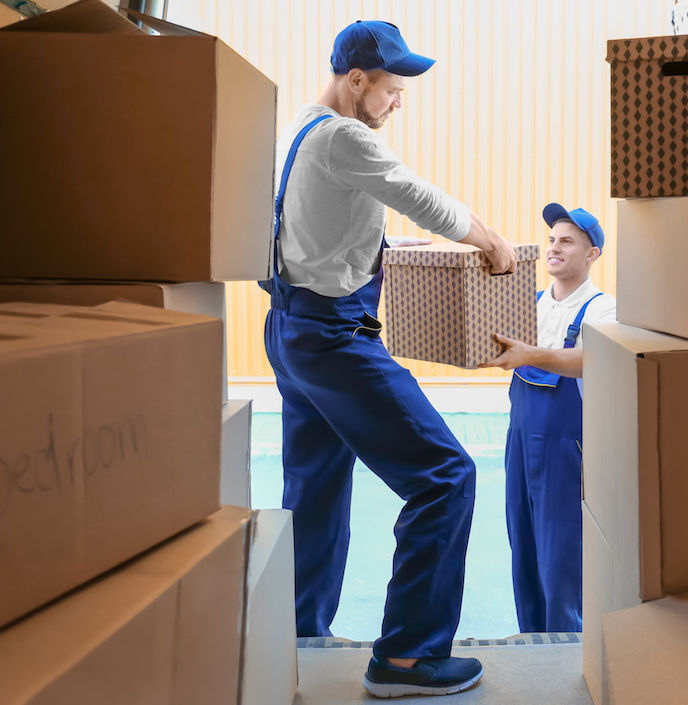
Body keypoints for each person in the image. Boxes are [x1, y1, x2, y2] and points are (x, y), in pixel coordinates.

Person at [263, 20, 517, 698]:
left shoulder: (300, 128)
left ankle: (296, 639)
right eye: (392, 89)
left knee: (313, 493)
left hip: (290, 327)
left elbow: (322, 226)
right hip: (332, 339)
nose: (398, 102)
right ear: (356, 82)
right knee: (447, 474)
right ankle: (406, 659)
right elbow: (420, 196)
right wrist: (491, 241)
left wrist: (381, 253)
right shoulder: (347, 135)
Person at [480, 203, 616, 633]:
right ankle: (532, 644)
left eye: (567, 241)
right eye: (552, 240)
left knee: (561, 556)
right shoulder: (528, 303)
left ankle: (566, 654)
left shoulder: (603, 309)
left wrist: (529, 353)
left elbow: (589, 360)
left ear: (592, 254)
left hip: (565, 448)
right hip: (519, 441)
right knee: (523, 546)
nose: (554, 248)